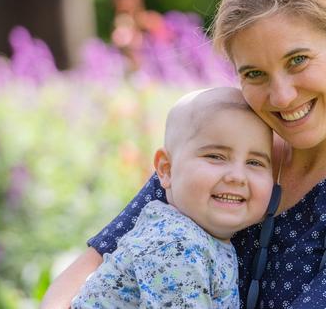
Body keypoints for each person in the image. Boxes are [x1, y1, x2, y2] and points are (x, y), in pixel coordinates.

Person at [42, 0, 326, 309]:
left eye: (298, 60)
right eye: (255, 73)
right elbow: (84, 273)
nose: (282, 96)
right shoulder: (227, 143)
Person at [71, 87, 275, 308]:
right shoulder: (175, 244)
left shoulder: (197, 237)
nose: (237, 176)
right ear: (166, 169)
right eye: (216, 157)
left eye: (254, 162)